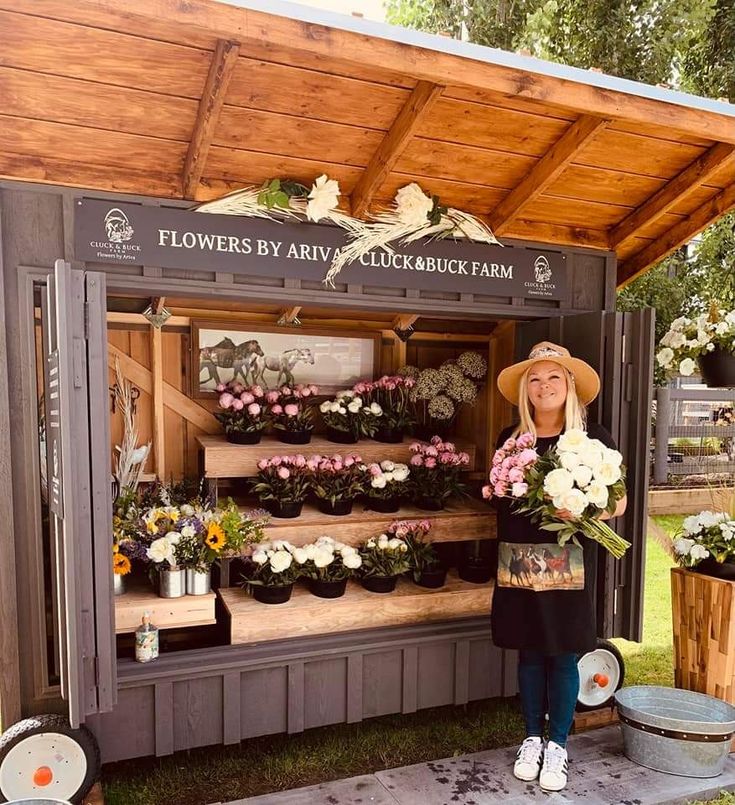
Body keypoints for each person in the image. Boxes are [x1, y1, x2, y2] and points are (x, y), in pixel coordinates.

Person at [493, 341, 627, 792]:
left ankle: (558, 746)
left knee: (563, 651)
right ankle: (532, 737)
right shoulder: (510, 440)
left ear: (569, 385)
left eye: (553, 377)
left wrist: (584, 511)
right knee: (529, 648)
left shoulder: (593, 440)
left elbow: (619, 499)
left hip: (566, 562)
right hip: (518, 559)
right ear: (525, 389)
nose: (543, 385)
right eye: (535, 378)